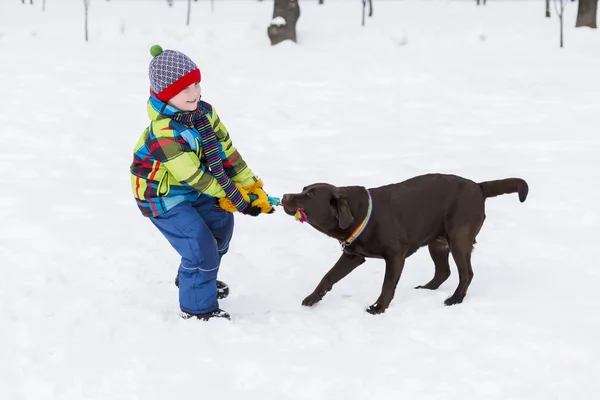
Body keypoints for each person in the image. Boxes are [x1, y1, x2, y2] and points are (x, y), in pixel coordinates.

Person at [130, 45, 275, 321]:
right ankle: (199, 309)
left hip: (198, 187)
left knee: (221, 226)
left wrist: (253, 187)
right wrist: (239, 199)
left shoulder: (205, 113)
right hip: (161, 195)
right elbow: (194, 176)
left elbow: (227, 153)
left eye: (196, 83)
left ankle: (196, 277)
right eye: (185, 89)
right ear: (165, 94)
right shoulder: (164, 132)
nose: (194, 92)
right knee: (200, 247)